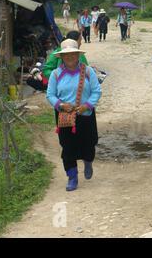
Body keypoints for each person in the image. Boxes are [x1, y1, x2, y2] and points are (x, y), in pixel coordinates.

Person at [46, 39, 102, 191]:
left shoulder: (88, 71)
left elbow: (97, 91)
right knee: (68, 147)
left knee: (89, 143)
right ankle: (72, 177)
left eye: (73, 54)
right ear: (62, 57)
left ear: (78, 55)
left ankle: (88, 161)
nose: (70, 57)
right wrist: (61, 105)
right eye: (66, 55)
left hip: (85, 115)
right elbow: (50, 95)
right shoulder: (56, 75)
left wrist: (87, 106)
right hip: (65, 117)